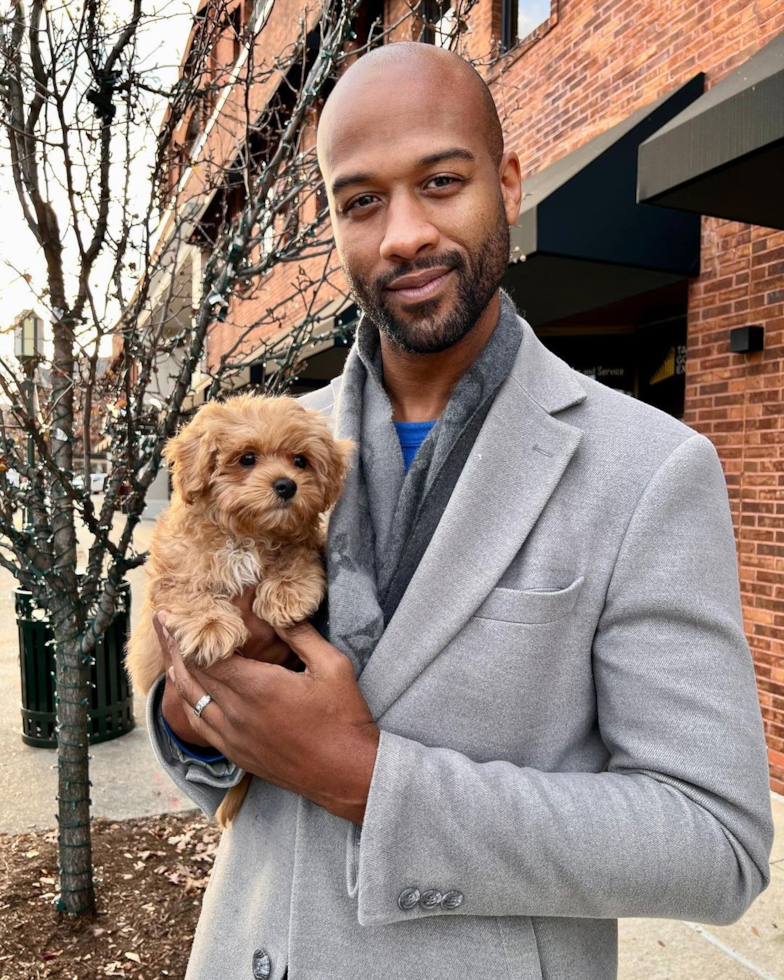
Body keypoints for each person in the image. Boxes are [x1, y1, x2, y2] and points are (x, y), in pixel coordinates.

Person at [145, 41, 774, 980]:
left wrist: (373, 784)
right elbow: (187, 710)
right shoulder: (276, 446)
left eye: (440, 181)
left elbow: (715, 842)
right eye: (362, 201)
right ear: (333, 222)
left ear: (509, 184)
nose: (402, 234)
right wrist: (191, 724)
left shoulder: (651, 469)